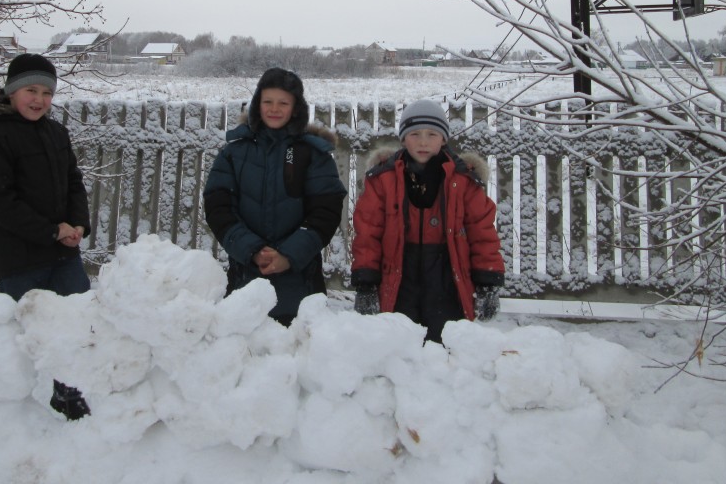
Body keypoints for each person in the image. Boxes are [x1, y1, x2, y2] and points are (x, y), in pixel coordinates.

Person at [0, 53, 92, 420]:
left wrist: (78, 224)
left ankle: (70, 392)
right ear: (12, 92)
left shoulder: (56, 133)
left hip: (64, 255)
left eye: (47, 93)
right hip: (20, 259)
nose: (39, 99)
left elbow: (73, 182)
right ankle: (10, 406)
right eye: (31, 91)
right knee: (27, 331)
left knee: (79, 323)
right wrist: (50, 231)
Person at [350, 99, 505, 343]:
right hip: (399, 276)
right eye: (415, 134)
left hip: (446, 277)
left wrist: (488, 282)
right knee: (400, 342)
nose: (423, 142)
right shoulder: (383, 180)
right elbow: (368, 233)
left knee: (445, 343)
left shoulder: (463, 180)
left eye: (432, 134)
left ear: (443, 139)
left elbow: (482, 233)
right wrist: (366, 283)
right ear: (403, 139)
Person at [202, 68, 348, 326]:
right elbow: (218, 207)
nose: (274, 109)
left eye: (283, 103)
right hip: (246, 277)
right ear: (257, 104)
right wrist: (252, 249)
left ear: (296, 108)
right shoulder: (234, 153)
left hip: (301, 283)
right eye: (267, 101)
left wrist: (289, 256)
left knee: (299, 346)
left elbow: (325, 212)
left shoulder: (313, 155)